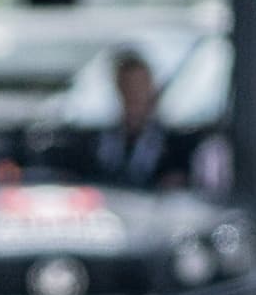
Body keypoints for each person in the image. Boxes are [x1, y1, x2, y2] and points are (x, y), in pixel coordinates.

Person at [78, 48, 194, 190]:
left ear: (151, 87)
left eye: (139, 86)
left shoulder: (177, 144)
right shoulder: (98, 142)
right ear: (119, 88)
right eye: (128, 86)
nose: (134, 93)